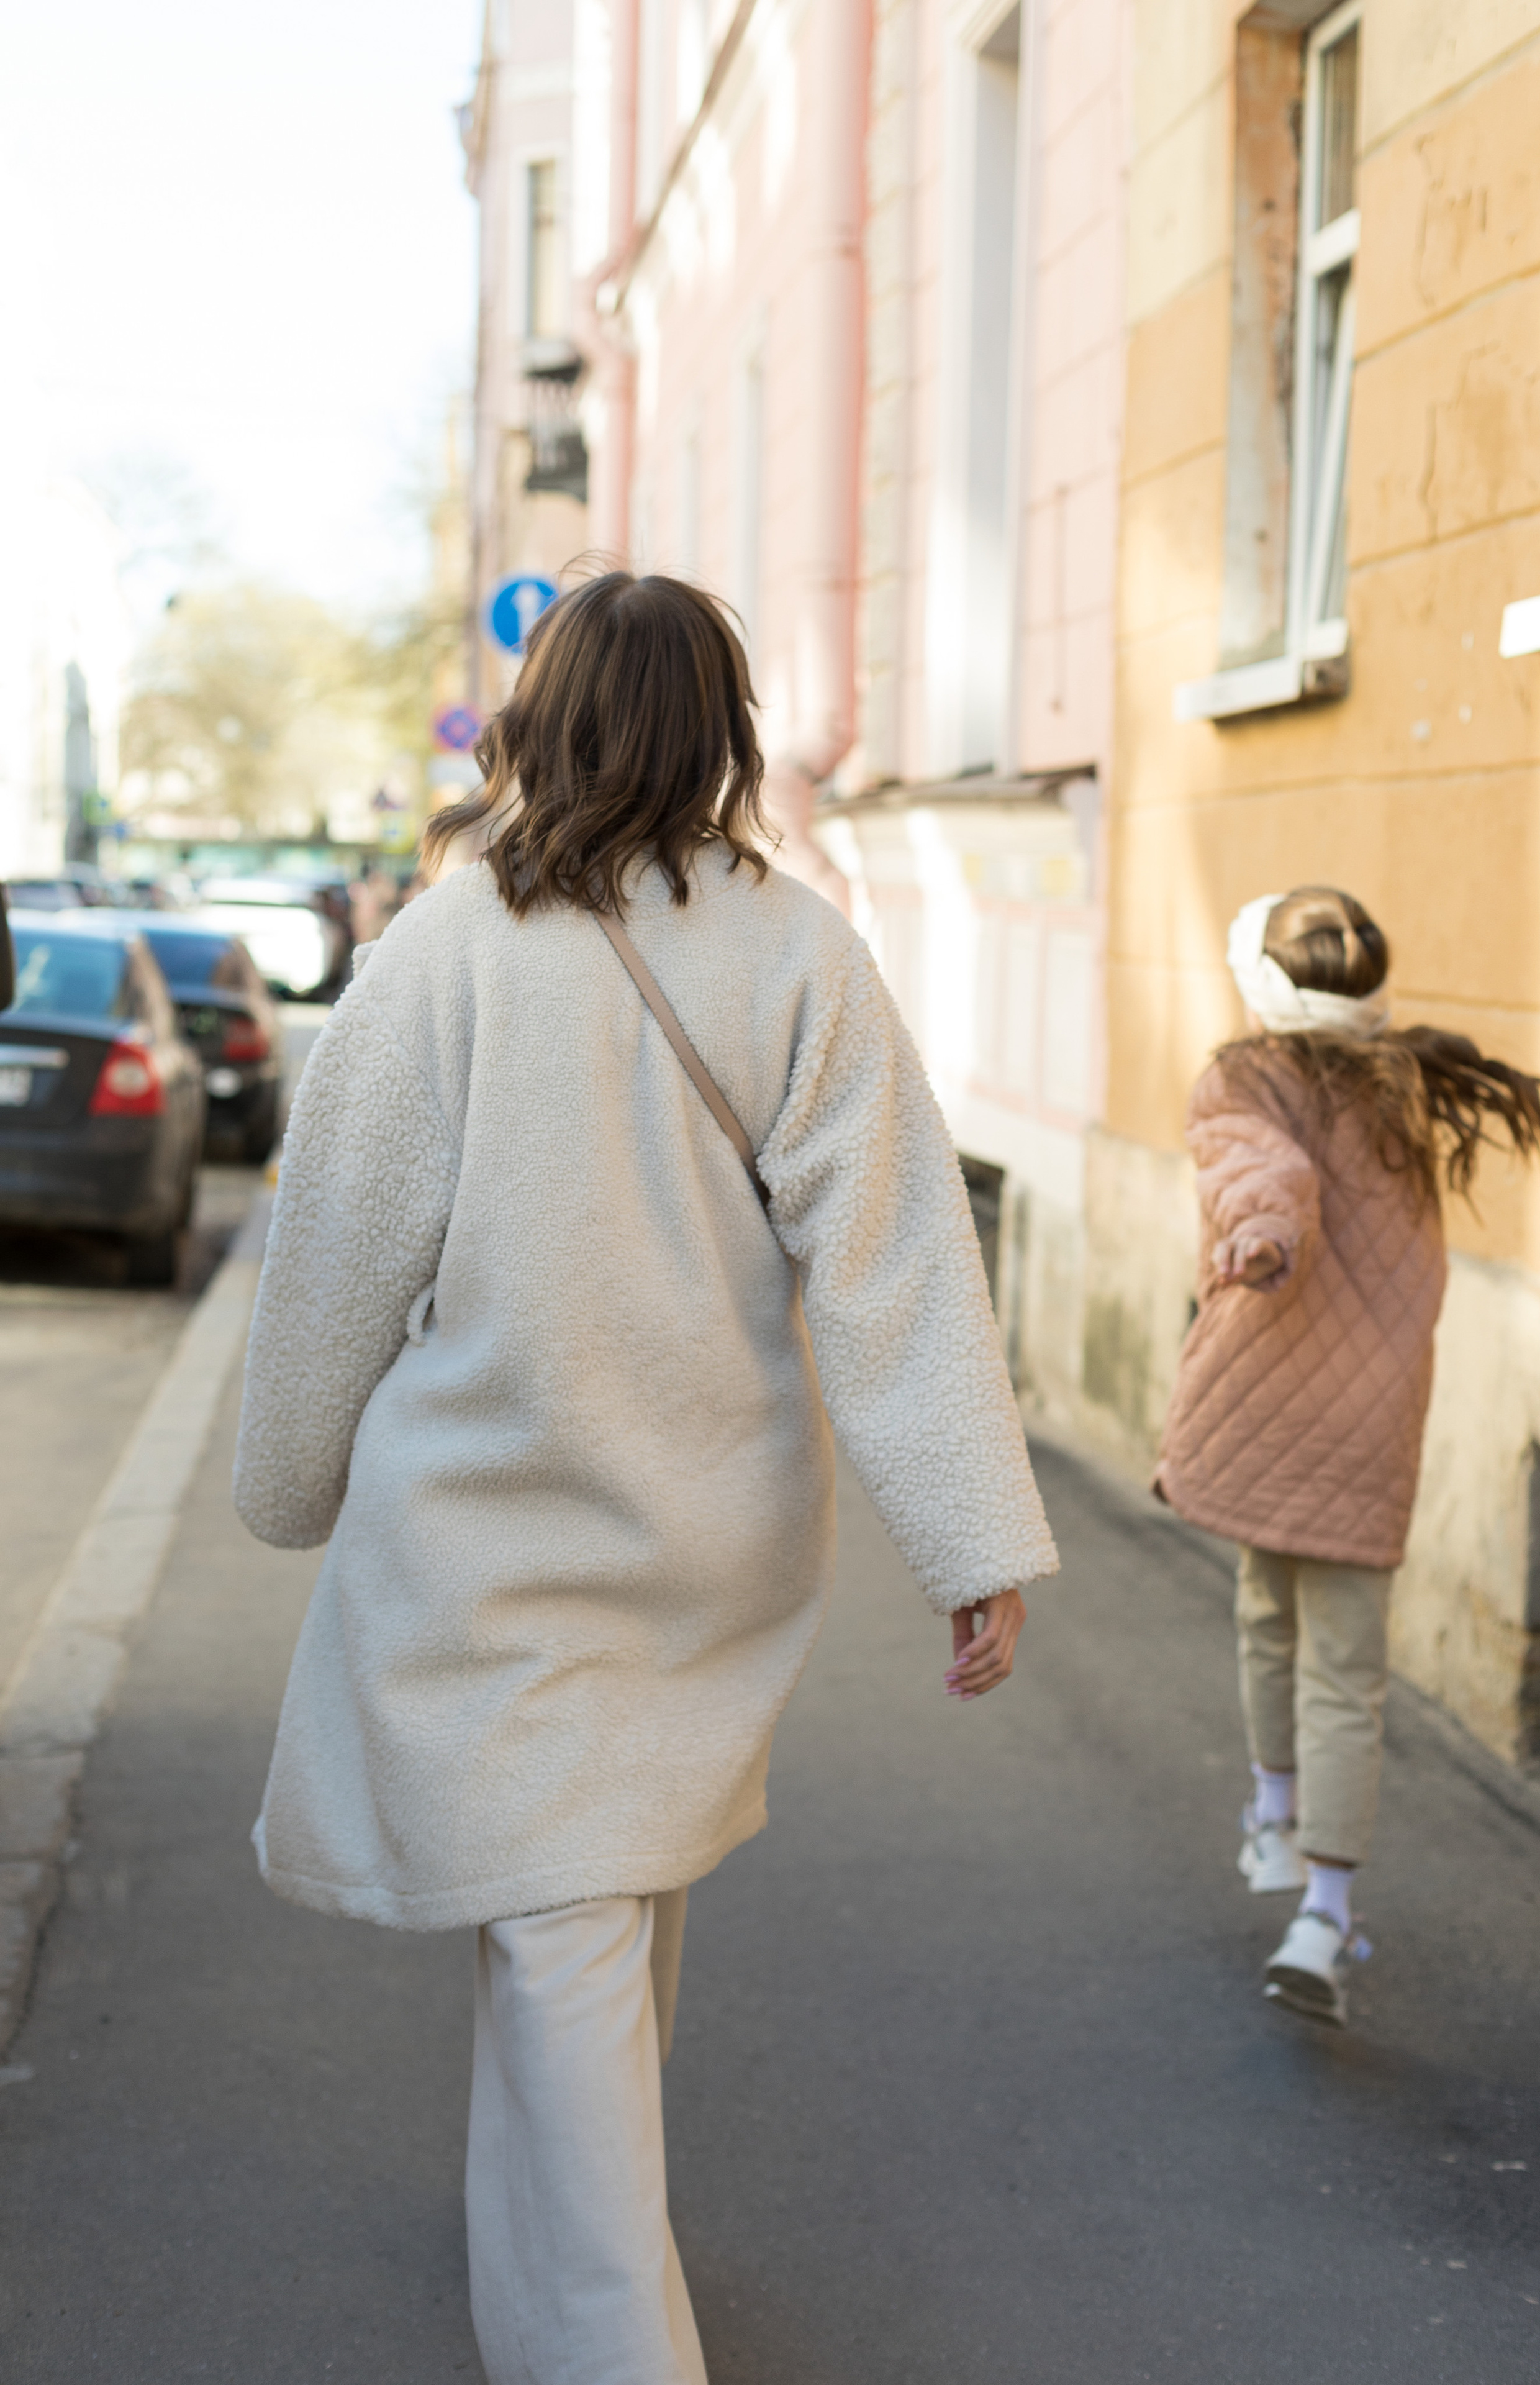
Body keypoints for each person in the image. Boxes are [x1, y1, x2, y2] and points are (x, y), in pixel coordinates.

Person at [232, 570, 1058, 2384]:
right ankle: (534, 2307)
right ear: (722, 730)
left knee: (569, 1950)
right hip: (708, 1540)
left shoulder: (447, 950)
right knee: (593, 1937)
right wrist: (967, 1541)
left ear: (541, 723)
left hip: (491, 1553)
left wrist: (286, 1481)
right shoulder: (802, 955)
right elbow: (899, 1264)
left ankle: (611, 2353)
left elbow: (338, 1246)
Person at [1156, 887, 1540, 2029]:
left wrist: (1262, 1237)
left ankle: (1287, 1847)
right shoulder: (1406, 1088)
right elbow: (1276, 1179)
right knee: (1335, 1656)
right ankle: (1319, 1901)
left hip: (1274, 1394)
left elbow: (1262, 1176)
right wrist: (1267, 1225)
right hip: (1369, 1411)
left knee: (1268, 1615)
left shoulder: (1242, 1078)